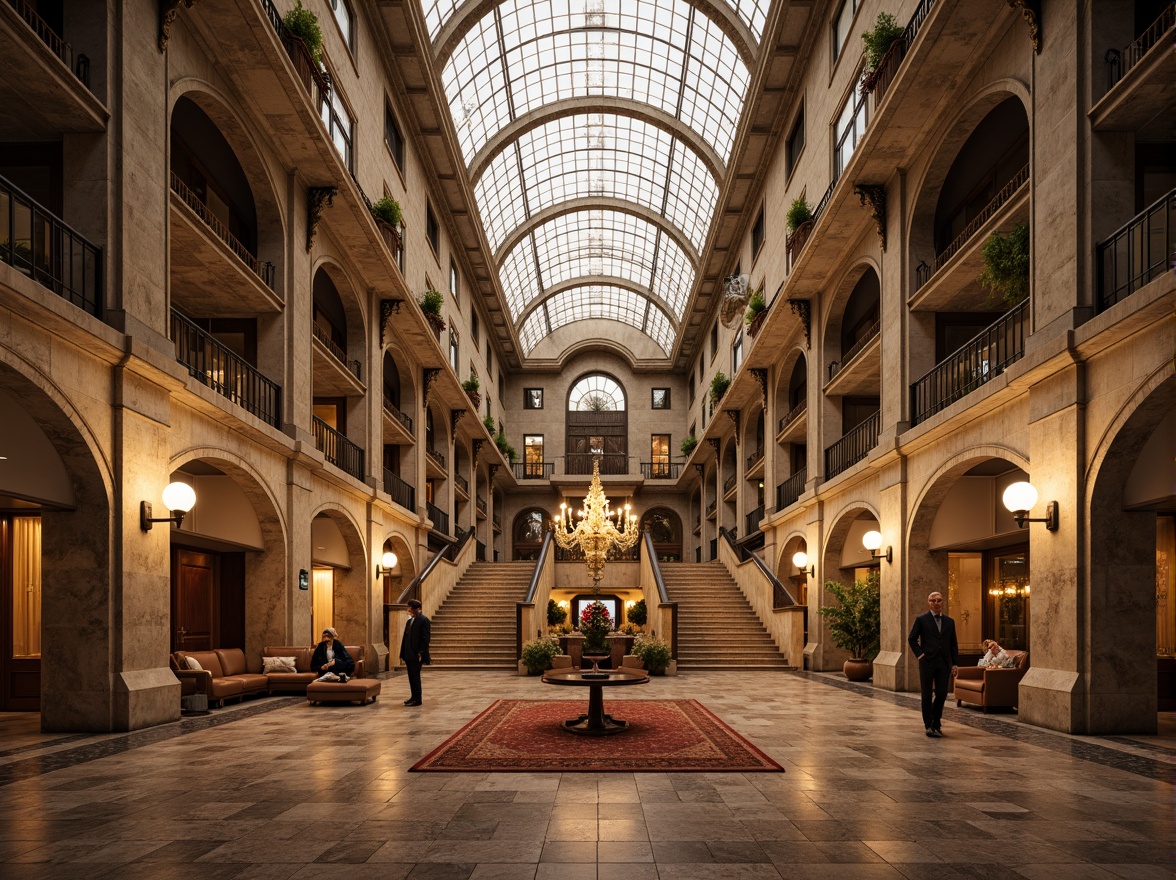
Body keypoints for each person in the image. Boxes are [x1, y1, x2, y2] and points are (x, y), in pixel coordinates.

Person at [907, 591, 959, 737]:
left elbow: (953, 644)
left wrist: (955, 663)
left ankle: (936, 722)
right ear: (928, 602)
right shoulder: (921, 619)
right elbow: (912, 639)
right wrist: (920, 654)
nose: (936, 603)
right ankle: (929, 725)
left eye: (939, 600)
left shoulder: (950, 622)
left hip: (944, 663)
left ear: (943, 602)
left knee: (942, 693)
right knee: (926, 694)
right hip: (927, 662)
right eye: (933, 600)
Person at [399, 599, 431, 706]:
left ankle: (417, 699)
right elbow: (406, 638)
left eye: (410, 608)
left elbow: (425, 638)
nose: (409, 610)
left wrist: (421, 652)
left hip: (417, 654)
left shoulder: (423, 620)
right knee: (411, 677)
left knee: (415, 676)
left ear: (416, 609)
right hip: (408, 654)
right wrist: (403, 653)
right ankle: (413, 697)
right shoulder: (409, 621)